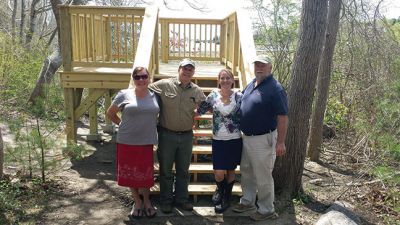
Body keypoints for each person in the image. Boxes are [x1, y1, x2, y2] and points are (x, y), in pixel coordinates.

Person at [233, 55, 288, 221]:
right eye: (257, 64)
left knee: (263, 176)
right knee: (247, 171)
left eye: (263, 65)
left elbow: (283, 117)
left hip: (264, 139)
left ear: (270, 67)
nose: (259, 67)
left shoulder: (275, 88)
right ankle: (248, 201)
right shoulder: (252, 83)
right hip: (247, 137)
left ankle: (266, 210)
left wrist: (280, 142)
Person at [148, 58, 206, 213]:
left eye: (190, 69)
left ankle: (181, 200)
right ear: (179, 69)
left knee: (183, 170)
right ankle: (166, 201)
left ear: (193, 72)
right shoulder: (164, 84)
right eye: (185, 68)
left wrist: (198, 112)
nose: (187, 72)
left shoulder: (197, 91)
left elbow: (206, 105)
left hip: (187, 136)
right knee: (165, 170)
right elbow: (144, 88)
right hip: (167, 135)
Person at [106, 67, 159, 219]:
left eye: (144, 76)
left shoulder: (155, 95)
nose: (141, 80)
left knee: (145, 175)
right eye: (137, 77)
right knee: (130, 173)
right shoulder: (124, 94)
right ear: (133, 79)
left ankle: (147, 201)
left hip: (146, 141)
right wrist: (121, 124)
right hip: (127, 141)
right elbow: (110, 113)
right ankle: (137, 202)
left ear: (149, 78)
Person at [197, 69, 242, 213]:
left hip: (234, 139)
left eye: (228, 78)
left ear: (232, 81)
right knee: (219, 172)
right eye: (222, 78)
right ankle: (220, 189)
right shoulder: (213, 95)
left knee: (230, 169)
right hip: (218, 139)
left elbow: (249, 111)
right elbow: (201, 110)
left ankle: (225, 197)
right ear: (219, 80)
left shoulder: (239, 96)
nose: (225, 80)